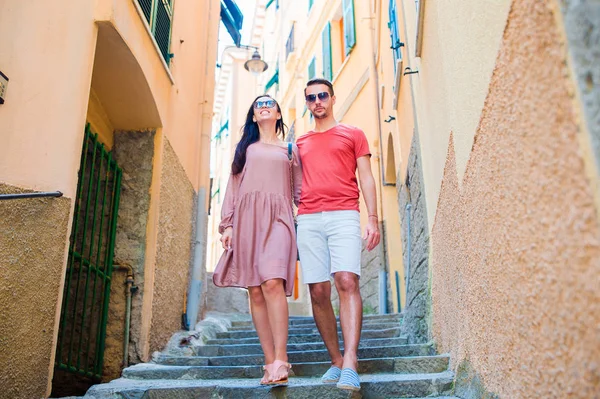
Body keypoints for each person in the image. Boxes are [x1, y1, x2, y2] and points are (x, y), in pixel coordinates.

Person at [296, 78, 381, 392]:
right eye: (311, 98)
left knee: (347, 280)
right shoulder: (300, 143)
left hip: (344, 214)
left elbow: (367, 178)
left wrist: (372, 218)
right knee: (318, 290)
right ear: (307, 103)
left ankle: (351, 361)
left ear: (332, 98)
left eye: (322, 96)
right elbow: (292, 182)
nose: (317, 101)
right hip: (308, 218)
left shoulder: (353, 134)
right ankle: (335, 360)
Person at [213, 95, 302, 386]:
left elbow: (300, 192)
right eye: (258, 105)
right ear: (253, 116)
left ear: (278, 113)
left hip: (279, 218)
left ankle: (281, 357)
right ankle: (268, 362)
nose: (263, 106)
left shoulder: (290, 149)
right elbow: (233, 187)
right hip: (247, 220)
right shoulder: (245, 149)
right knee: (255, 289)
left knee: (272, 282)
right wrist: (228, 225)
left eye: (269, 103)